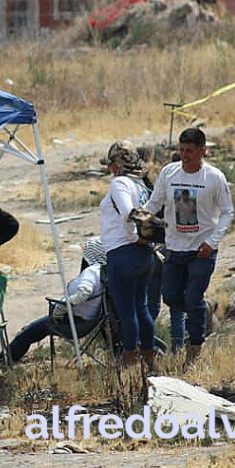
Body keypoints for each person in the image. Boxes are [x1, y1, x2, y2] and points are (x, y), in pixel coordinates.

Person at [144, 128, 234, 365]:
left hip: (202, 250)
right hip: (174, 247)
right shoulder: (169, 173)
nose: (185, 156)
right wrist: (140, 216)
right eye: (182, 150)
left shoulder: (214, 177)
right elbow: (155, 202)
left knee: (192, 298)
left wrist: (211, 242)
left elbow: (227, 212)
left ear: (203, 151)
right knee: (171, 296)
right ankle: (204, 310)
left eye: (190, 151)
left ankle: (195, 349)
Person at [2, 237, 106, 364]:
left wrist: (60, 308)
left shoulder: (91, 272)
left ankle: (1, 363)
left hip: (73, 323)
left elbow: (83, 293)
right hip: (87, 321)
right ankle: (5, 360)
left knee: (26, 334)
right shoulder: (103, 271)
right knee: (30, 330)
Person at [99, 140, 155, 366]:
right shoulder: (141, 184)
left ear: (118, 164)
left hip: (123, 251)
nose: (109, 168)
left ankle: (131, 361)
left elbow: (128, 214)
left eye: (111, 163)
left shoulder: (120, 183)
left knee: (127, 312)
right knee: (141, 307)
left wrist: (134, 238)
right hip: (143, 254)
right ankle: (150, 359)